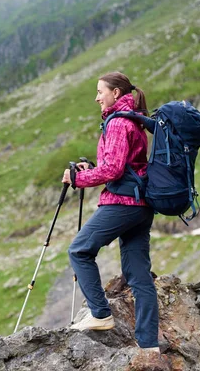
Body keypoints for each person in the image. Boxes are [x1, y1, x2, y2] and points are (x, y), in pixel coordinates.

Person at [61, 71, 159, 353]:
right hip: (142, 206)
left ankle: (100, 314)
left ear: (115, 93)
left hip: (122, 203)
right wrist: (91, 169)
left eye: (100, 91)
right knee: (139, 275)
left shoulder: (117, 123)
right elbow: (123, 165)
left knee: (79, 250)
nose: (96, 97)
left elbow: (113, 170)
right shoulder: (135, 119)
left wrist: (77, 179)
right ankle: (149, 346)